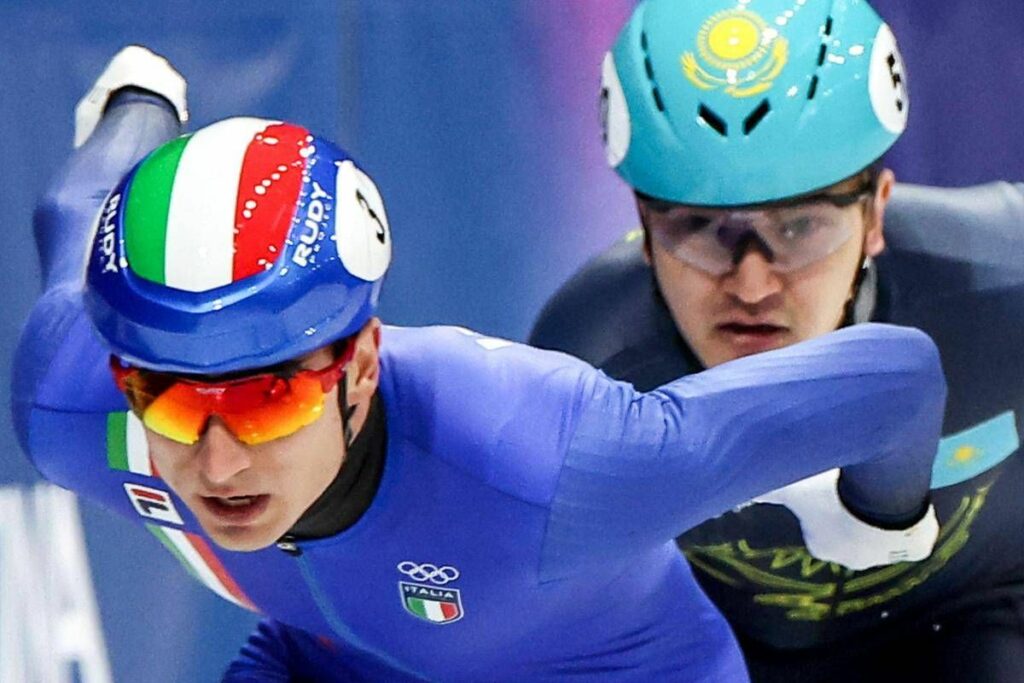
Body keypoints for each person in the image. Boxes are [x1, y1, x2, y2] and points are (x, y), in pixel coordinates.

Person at [14, 46, 947, 683]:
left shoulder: (548, 460)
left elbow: (898, 376)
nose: (217, 463)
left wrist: (885, 515)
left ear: (362, 365)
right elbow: (75, 216)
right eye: (171, 403)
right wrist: (138, 104)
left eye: (266, 400)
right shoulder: (69, 407)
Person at [530, 1, 1024, 681]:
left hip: (972, 623)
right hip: (721, 650)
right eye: (700, 229)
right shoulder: (585, 362)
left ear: (876, 213)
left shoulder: (1004, 275)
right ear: (644, 228)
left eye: (800, 227)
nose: (753, 283)